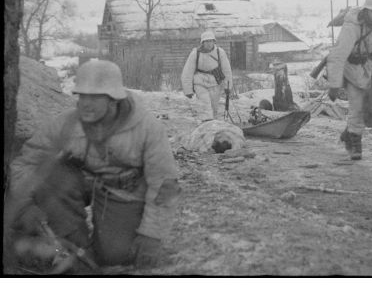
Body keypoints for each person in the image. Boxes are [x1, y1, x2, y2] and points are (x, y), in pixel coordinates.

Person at [4, 60, 180, 273]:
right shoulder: (66, 124)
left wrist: (152, 233)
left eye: (95, 97)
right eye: (82, 96)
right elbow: (25, 163)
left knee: (116, 256)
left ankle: (107, 244)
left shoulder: (147, 128)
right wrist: (25, 207)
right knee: (55, 175)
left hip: (124, 193)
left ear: (114, 100)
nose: (85, 103)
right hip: (82, 184)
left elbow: (165, 184)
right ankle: (75, 248)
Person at [327, 0, 372, 160]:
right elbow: (338, 55)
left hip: (369, 69)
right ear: (366, 10)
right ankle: (354, 144)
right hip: (351, 68)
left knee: (370, 107)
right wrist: (334, 84)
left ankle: (349, 133)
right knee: (358, 106)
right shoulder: (351, 27)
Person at [181, 30, 233, 121]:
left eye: (211, 41)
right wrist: (188, 89)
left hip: (215, 83)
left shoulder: (220, 52)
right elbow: (187, 72)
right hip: (200, 82)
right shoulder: (195, 53)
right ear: (202, 43)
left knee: (214, 107)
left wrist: (228, 86)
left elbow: (226, 70)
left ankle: (213, 125)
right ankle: (207, 123)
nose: (209, 44)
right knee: (205, 105)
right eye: (206, 41)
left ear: (214, 42)